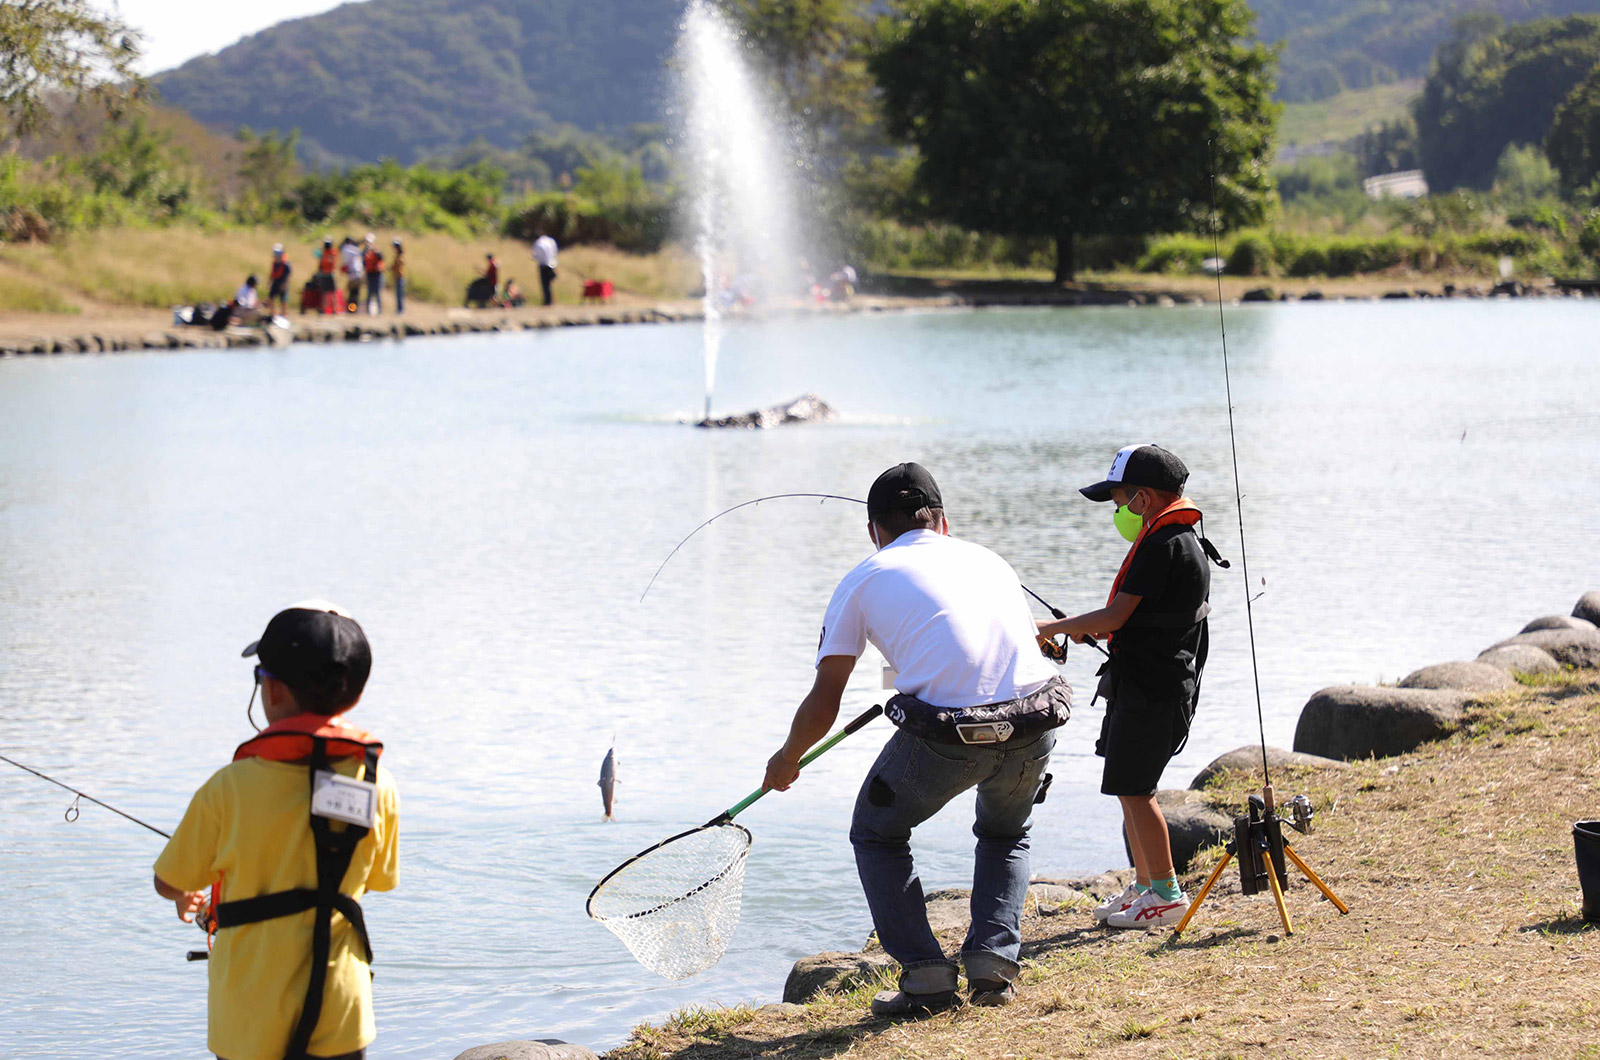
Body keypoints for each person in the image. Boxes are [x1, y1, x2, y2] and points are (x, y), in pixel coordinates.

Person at [763, 463, 1070, 1016]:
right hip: (1033, 723)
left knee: (876, 832)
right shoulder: (990, 560)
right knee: (1006, 835)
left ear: (874, 530)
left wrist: (788, 759)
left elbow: (826, 697)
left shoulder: (863, 577)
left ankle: (927, 977)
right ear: (943, 521)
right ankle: (992, 969)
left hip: (949, 739)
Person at [153, 601, 399, 1060]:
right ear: (354, 693)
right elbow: (379, 880)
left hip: (249, 1017)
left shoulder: (228, 787)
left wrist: (185, 895)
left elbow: (169, 881)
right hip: (341, 1009)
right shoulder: (376, 782)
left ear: (274, 690)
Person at [1035, 444, 1222, 930]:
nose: (1117, 509)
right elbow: (1137, 619)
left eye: (1120, 500)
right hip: (1144, 683)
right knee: (1127, 787)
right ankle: (1144, 885)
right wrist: (1086, 629)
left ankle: (1167, 894)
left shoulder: (1163, 545)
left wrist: (1051, 628)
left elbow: (1116, 616)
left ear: (1144, 498)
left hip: (1154, 690)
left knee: (1139, 792)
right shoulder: (1178, 538)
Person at [340, 237, 365, 314]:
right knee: (354, 294)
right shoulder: (351, 249)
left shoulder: (344, 249)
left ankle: (351, 309)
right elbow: (359, 253)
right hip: (355, 274)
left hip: (350, 274)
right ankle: (352, 309)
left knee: (351, 293)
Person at [532, 231, 557, 306]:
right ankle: (550, 299)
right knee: (549, 283)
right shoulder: (551, 241)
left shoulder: (538, 243)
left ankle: (547, 300)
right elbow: (554, 253)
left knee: (545, 284)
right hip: (551, 265)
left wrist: (536, 259)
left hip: (543, 265)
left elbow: (537, 255)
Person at [316, 237, 338, 314]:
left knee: (325, 293)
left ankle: (326, 308)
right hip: (329, 274)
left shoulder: (324, 254)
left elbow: (321, 264)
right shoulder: (331, 253)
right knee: (332, 293)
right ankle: (332, 309)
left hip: (325, 274)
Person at [267, 245, 292, 316]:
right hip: (276, 281)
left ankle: (283, 314)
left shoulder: (286, 264)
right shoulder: (275, 263)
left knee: (283, 300)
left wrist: (284, 284)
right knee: (271, 297)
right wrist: (269, 282)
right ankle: (273, 313)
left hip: (283, 282)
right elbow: (272, 273)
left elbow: (288, 276)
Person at [363, 239, 384, 316]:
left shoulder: (377, 253)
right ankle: (368, 311)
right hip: (370, 274)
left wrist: (376, 251)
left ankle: (379, 311)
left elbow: (381, 258)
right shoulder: (367, 254)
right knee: (369, 293)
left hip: (377, 274)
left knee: (377, 293)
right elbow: (364, 264)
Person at [390, 239, 406, 315]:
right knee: (398, 294)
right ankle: (399, 309)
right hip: (398, 277)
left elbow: (399, 266)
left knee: (400, 294)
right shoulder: (398, 256)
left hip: (400, 277)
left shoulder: (400, 256)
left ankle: (400, 310)